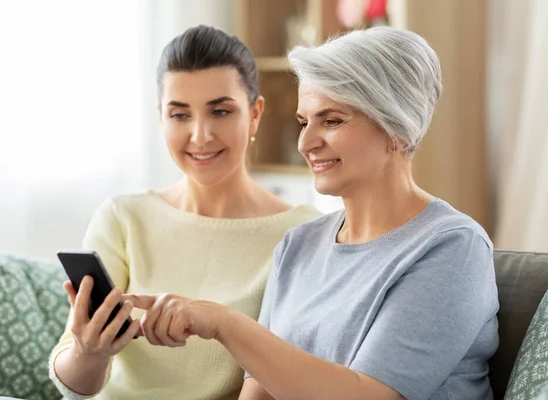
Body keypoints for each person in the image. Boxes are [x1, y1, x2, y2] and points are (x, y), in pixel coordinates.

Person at [126, 27, 500, 400]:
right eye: (305, 122)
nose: (306, 143)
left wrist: (225, 323)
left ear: (397, 129)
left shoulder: (452, 248)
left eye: (332, 120)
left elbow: (369, 397)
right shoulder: (298, 245)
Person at [48, 25, 321, 400]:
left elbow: (292, 375)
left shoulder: (303, 232)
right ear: (161, 117)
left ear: (255, 114)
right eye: (180, 115)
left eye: (221, 111)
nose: (200, 135)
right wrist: (87, 352)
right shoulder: (122, 218)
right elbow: (76, 384)